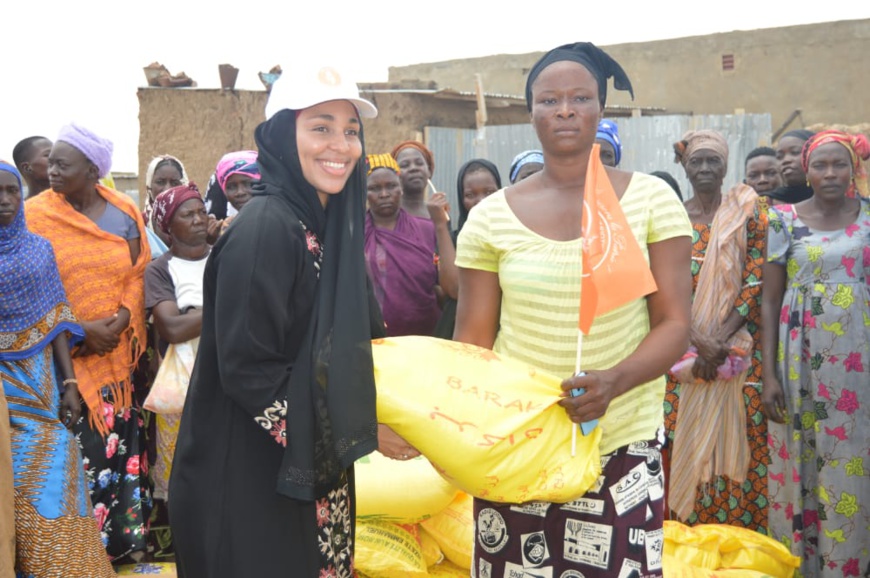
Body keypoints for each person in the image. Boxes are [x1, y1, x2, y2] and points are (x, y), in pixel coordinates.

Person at [454, 42, 692, 577]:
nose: (564, 109)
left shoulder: (651, 200)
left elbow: (675, 324)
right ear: (531, 113)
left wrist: (615, 381)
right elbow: (472, 340)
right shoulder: (491, 218)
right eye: (549, 100)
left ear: (600, 111)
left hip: (621, 440)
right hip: (518, 442)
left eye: (580, 97)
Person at [169, 62, 404, 578]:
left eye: (350, 131)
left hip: (309, 469)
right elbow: (248, 369)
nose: (339, 146)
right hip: (249, 482)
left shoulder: (321, 224)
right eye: (320, 128)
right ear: (281, 137)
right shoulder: (266, 230)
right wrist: (356, 426)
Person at [25, 124, 151, 561]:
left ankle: (122, 551)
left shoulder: (123, 211)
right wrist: (80, 329)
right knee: (77, 459)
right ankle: (80, 557)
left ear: (92, 170)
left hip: (117, 359)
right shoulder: (35, 215)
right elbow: (31, 286)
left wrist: (118, 321)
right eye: (51, 162)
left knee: (120, 453)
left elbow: (137, 274)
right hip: (63, 364)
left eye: (63, 163)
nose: (51, 170)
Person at [761, 130, 870, 577]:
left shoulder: (868, 219)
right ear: (806, 170)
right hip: (798, 358)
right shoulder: (783, 219)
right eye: (820, 165)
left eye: (838, 164)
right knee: (800, 456)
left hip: (855, 363)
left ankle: (846, 566)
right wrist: (768, 375)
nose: (829, 173)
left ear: (853, 170)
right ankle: (798, 567)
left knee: (851, 459)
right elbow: (769, 300)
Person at [0, 161, 115, 577]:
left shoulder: (38, 249)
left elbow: (57, 322)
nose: (5, 200)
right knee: (11, 485)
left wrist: (69, 384)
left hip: (42, 385)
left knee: (60, 464)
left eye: (12, 190)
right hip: (3, 394)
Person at [664, 130, 770, 532]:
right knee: (683, 442)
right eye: (697, 161)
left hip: (738, 354)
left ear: (727, 166)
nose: (705, 168)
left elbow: (757, 277)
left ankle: (740, 549)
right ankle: (684, 545)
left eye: (713, 161)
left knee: (740, 441)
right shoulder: (670, 218)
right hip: (679, 354)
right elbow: (659, 287)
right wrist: (696, 340)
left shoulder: (748, 211)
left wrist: (720, 342)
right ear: (685, 167)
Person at [145, 184, 210, 503]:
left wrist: (195, 315)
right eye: (188, 214)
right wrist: (224, 307)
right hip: (181, 383)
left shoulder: (226, 256)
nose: (199, 219)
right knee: (183, 472)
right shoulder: (160, 270)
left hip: (228, 375)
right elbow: (171, 327)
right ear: (167, 227)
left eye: (201, 211)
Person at [364, 153, 454, 337]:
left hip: (426, 338)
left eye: (391, 186)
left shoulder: (427, 229)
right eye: (374, 188)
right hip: (375, 341)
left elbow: (447, 287)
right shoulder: (354, 235)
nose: (384, 194)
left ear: (401, 188)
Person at [433, 158, 501, 339]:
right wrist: (440, 225)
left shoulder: (512, 238)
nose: (481, 201)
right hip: (462, 337)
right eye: (471, 195)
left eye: (489, 192)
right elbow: (455, 289)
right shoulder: (453, 240)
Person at [207, 150, 261, 240]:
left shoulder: (278, 220)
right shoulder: (227, 228)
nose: (240, 192)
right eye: (231, 187)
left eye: (248, 184)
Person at [144, 155, 189, 238]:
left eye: (175, 183)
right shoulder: (139, 223)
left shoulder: (194, 221)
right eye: (160, 182)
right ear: (149, 186)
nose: (168, 189)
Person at [768, 129, 815, 204]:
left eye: (795, 152)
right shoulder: (764, 203)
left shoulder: (834, 198)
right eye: (779, 156)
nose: (786, 160)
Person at [391, 140, 435, 219]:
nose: (413, 168)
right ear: (394, 174)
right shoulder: (387, 215)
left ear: (429, 171)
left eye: (419, 163)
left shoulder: (438, 214)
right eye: (404, 165)